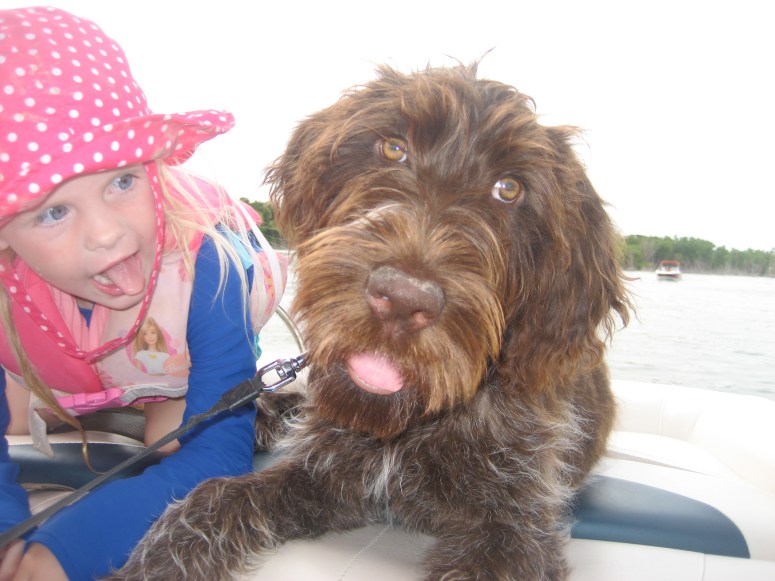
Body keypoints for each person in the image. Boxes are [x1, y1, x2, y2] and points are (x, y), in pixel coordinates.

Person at [0, 6, 284, 580]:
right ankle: (90, 394)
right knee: (18, 418)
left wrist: (60, 551)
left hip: (176, 337)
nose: (107, 233)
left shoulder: (208, 258)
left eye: (122, 180)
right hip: (70, 343)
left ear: (151, 166)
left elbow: (219, 457)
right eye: (52, 211)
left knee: (171, 441)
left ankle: (156, 394)